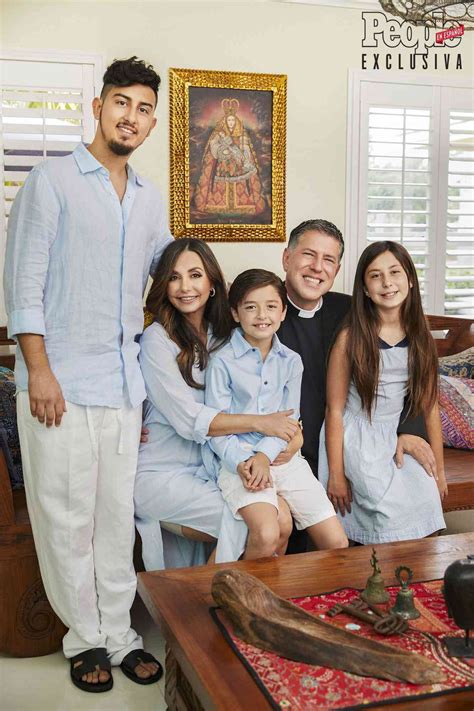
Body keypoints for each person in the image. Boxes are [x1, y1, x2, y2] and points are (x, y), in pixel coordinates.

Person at [4, 57, 171, 692]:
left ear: (153, 121)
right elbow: (23, 285)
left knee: (113, 515)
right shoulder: (50, 182)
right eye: (122, 102)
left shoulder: (151, 199)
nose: (132, 116)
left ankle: (121, 634)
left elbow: (168, 280)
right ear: (98, 107)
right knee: (66, 515)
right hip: (61, 385)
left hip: (125, 384)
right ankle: (85, 639)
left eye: (145, 108)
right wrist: (39, 371)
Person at [134, 239, 299, 569]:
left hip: (217, 466)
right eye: (174, 277)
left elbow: (269, 396)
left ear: (211, 284)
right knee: (260, 524)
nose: (185, 287)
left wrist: (293, 438)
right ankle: (205, 611)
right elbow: (187, 419)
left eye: (195, 275)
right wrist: (259, 423)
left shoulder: (225, 335)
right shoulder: (157, 339)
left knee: (282, 520)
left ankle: (237, 607)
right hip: (164, 472)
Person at [277, 220, 441, 552]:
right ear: (286, 259)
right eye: (308, 255)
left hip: (357, 443)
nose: (317, 268)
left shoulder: (349, 310)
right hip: (289, 450)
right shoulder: (261, 309)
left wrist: (408, 429)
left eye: (329, 260)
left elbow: (413, 388)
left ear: (338, 269)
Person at [204, 269, 348, 560]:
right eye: (250, 307)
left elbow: (288, 424)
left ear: (283, 312)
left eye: (271, 306)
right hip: (238, 462)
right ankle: (245, 600)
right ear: (235, 313)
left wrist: (264, 456)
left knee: (337, 543)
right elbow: (215, 428)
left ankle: (297, 596)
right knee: (268, 533)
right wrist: (246, 461)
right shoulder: (222, 361)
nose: (262, 315)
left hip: (284, 459)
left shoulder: (291, 362)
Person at [319, 241, 447, 543]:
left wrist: (439, 471)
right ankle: (381, 579)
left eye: (395, 272)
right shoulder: (351, 338)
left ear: (410, 279)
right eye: (375, 276)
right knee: (388, 516)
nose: (387, 283)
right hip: (355, 439)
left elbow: (430, 408)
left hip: (391, 438)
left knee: (427, 501)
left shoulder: (421, 338)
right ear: (364, 288)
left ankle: (415, 585)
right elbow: (334, 409)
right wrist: (336, 474)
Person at [193, 98, 267, 217]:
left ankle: (241, 206)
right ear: (225, 121)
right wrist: (223, 151)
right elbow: (213, 147)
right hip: (223, 165)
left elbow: (246, 149)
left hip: (239, 166)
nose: (231, 122)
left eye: (233, 120)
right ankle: (220, 206)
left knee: (240, 186)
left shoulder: (242, 134)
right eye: (229, 120)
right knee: (222, 187)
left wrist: (244, 157)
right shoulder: (219, 134)